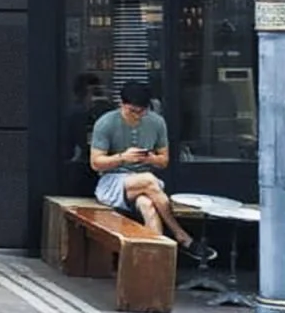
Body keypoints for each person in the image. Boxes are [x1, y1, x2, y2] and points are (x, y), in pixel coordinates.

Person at [90, 80, 214, 264]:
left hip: (148, 184)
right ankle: (180, 235)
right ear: (122, 104)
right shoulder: (106, 123)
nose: (138, 116)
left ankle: (154, 263)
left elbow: (163, 161)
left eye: (142, 111)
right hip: (113, 182)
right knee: (149, 180)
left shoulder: (156, 122)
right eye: (132, 111)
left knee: (148, 205)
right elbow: (96, 163)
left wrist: (148, 158)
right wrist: (123, 157)